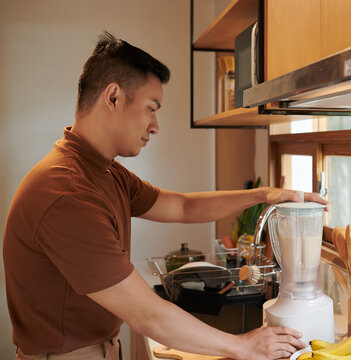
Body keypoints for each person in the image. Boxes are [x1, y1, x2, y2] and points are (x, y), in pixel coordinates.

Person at [3, 31, 327, 360]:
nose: (155, 125)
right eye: (151, 108)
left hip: (103, 349)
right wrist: (242, 345)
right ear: (113, 97)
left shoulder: (103, 172)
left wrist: (264, 194)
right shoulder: (67, 190)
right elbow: (146, 314)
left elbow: (182, 206)